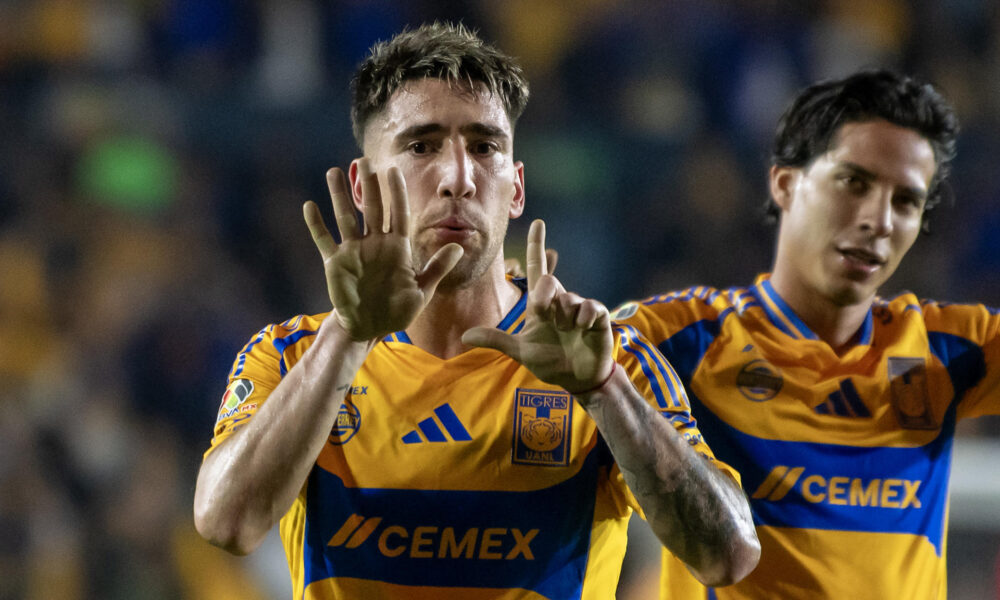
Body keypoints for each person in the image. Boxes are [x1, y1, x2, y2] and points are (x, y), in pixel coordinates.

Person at [192, 22, 759, 599]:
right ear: (361, 186)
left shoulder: (608, 358)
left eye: (484, 147)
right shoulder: (289, 358)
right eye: (422, 145)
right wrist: (348, 335)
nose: (458, 177)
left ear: (515, 188)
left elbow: (729, 555)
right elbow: (227, 523)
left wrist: (605, 392)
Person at [613, 69, 999, 599]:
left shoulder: (949, 350)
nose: (878, 219)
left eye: (906, 201)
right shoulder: (682, 340)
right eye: (854, 182)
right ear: (786, 183)